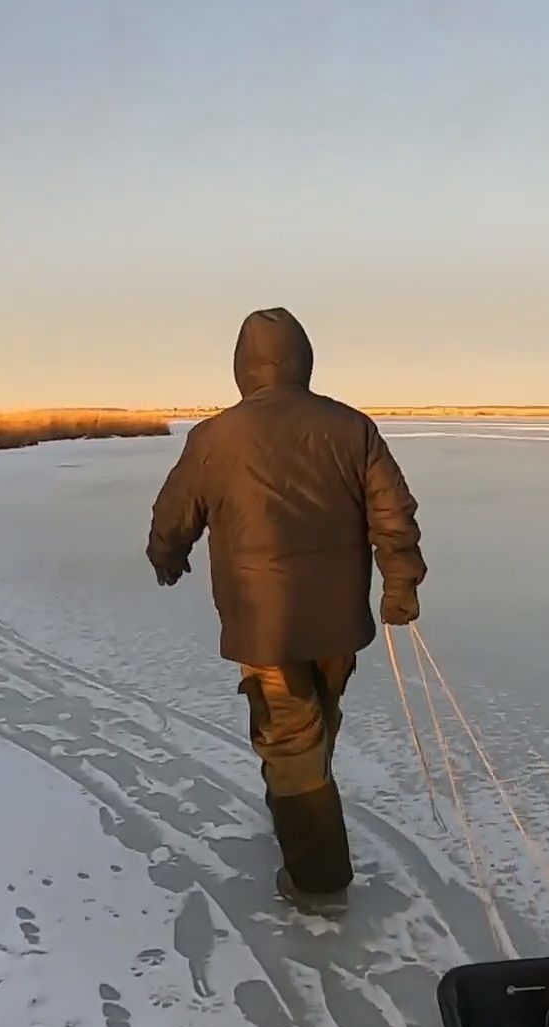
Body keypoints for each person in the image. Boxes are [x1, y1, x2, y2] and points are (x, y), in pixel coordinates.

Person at [146, 307, 426, 915]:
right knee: (312, 723)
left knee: (292, 738)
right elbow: (393, 517)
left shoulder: (214, 437)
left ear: (243, 369)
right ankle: (299, 806)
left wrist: (166, 553)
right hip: (336, 624)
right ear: (303, 361)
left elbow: (175, 511)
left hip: (263, 625)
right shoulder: (351, 428)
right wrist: (399, 584)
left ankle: (319, 881)